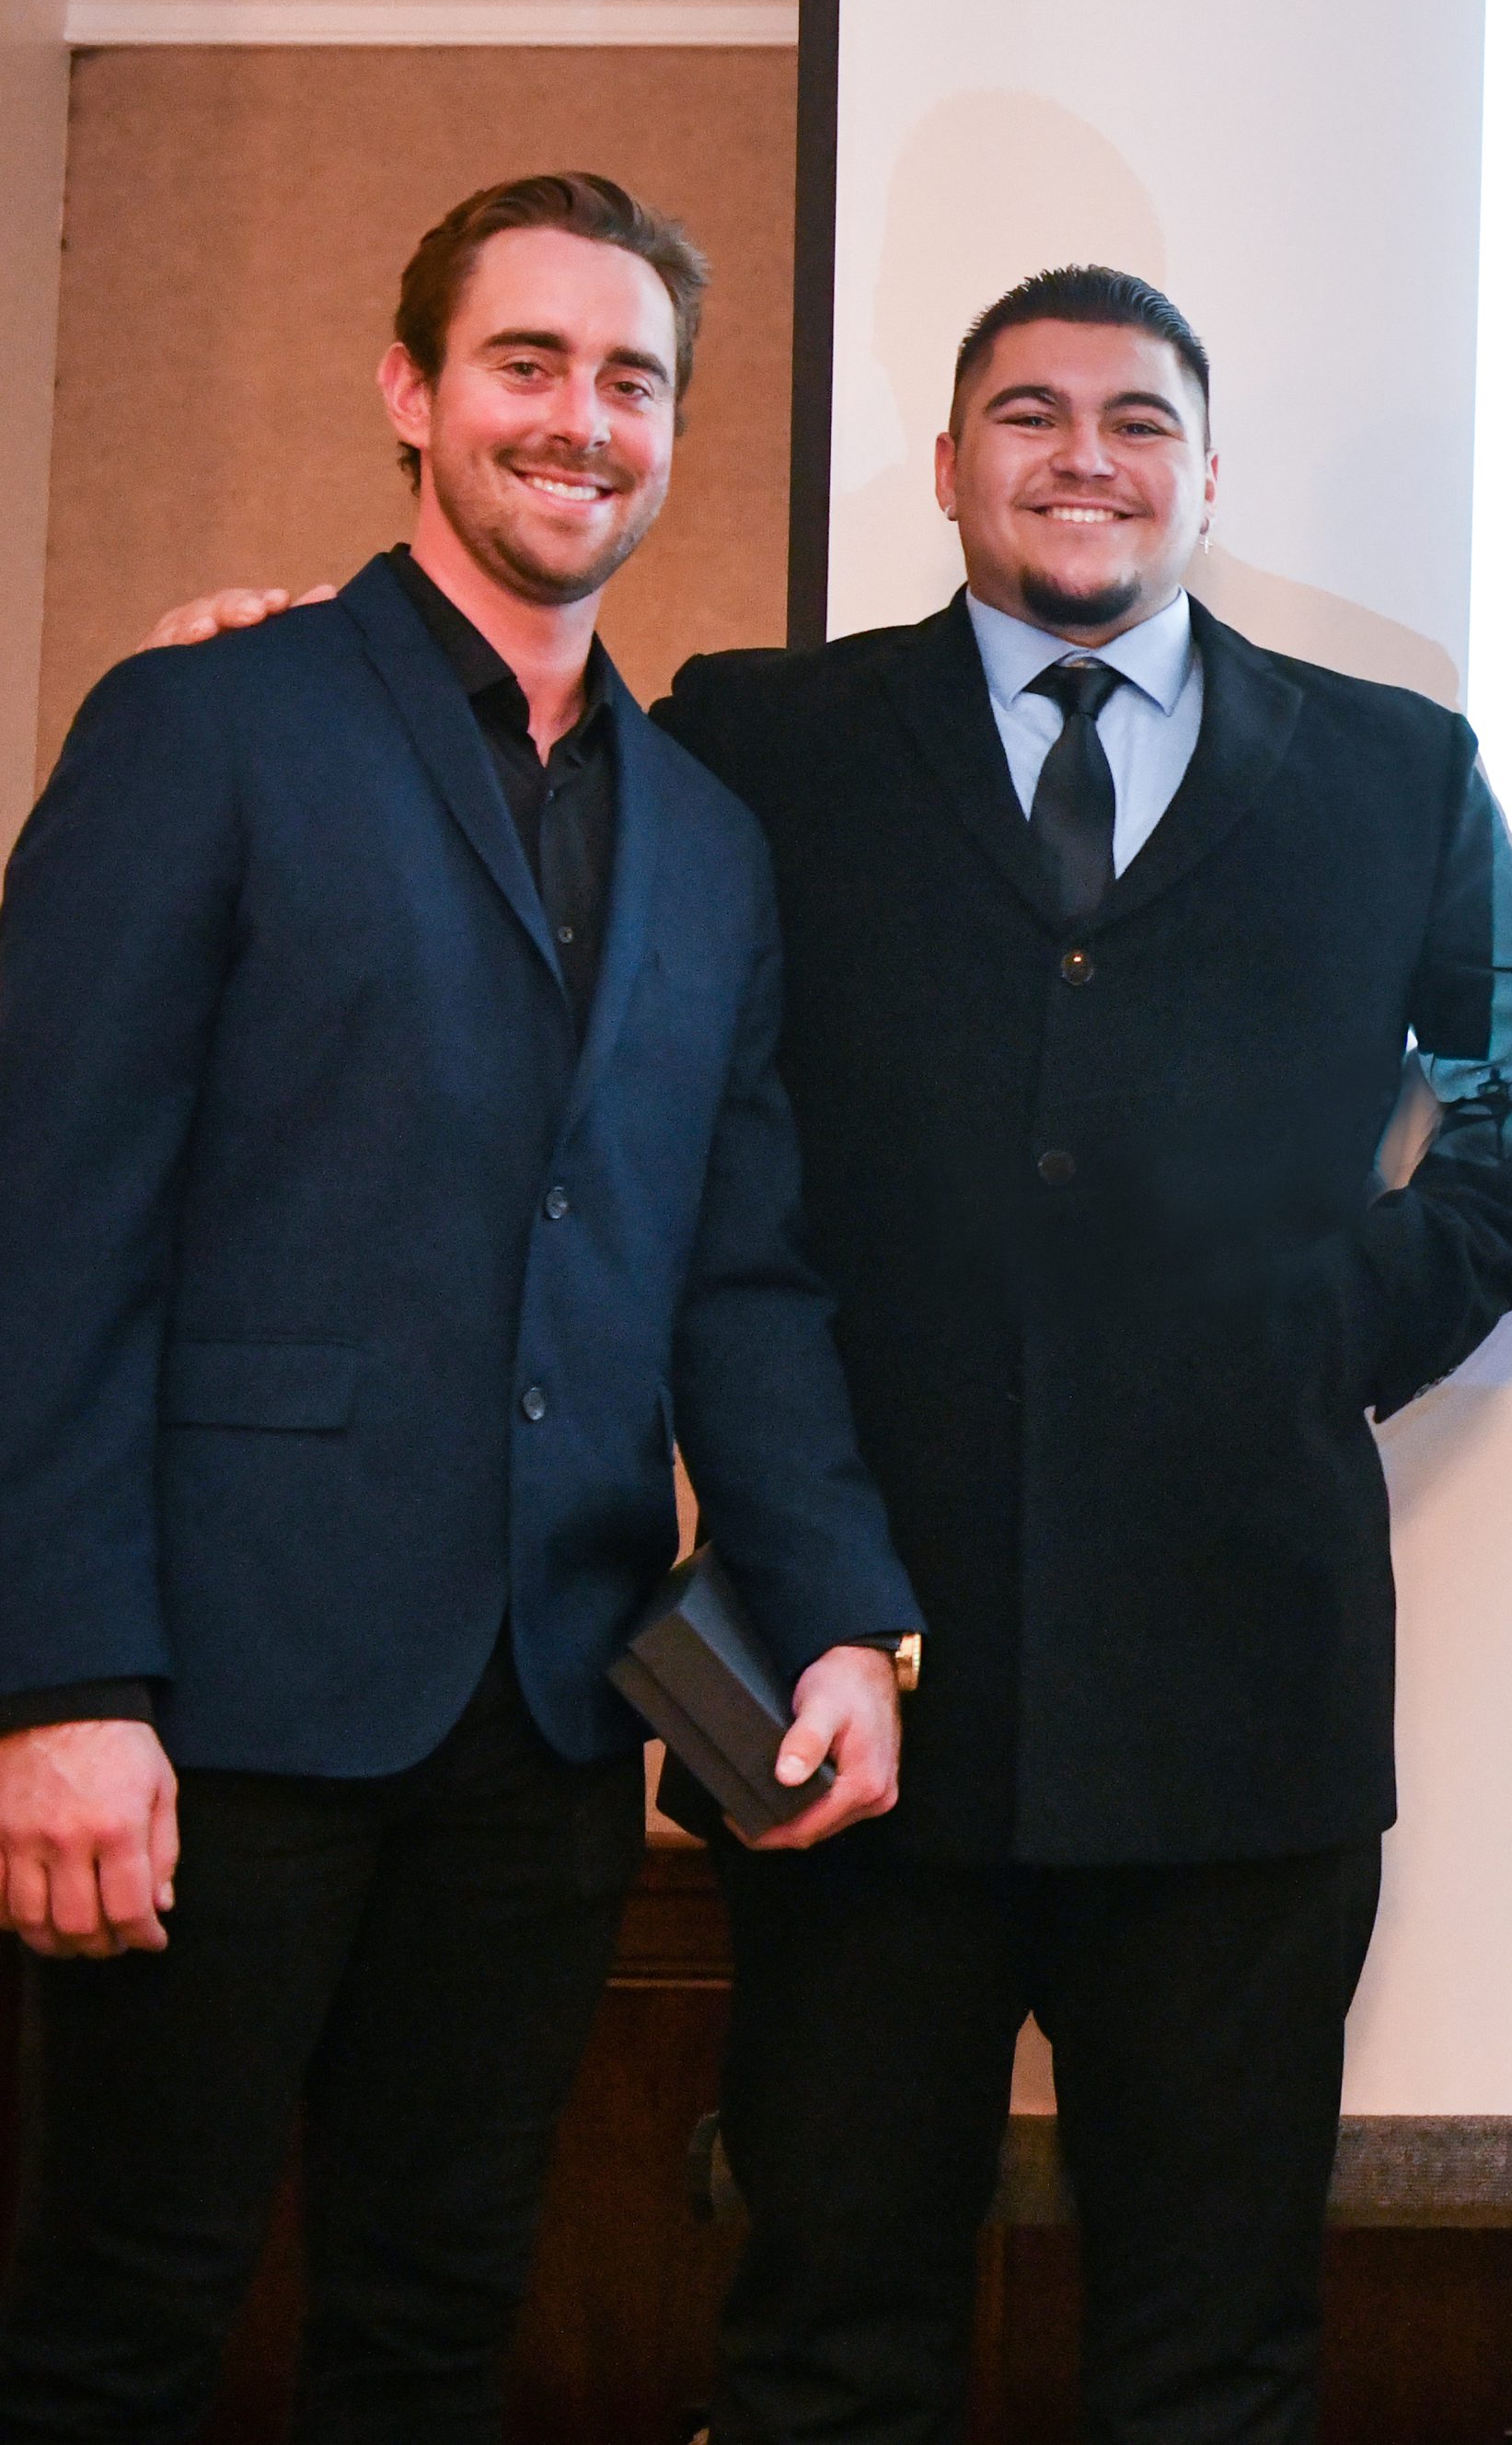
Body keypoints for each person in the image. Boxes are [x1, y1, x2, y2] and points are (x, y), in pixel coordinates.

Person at [156, 262, 1512, 2439]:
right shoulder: (761, 740)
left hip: (1240, 1699)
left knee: (1213, 2358)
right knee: (826, 2341)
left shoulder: (1391, 771)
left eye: (1136, 419)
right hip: (848, 1692)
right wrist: (261, 677)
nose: (1082, 456)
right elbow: (506, 785)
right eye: (1027, 415)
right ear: (945, 471)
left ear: (1204, 477)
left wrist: (1345, 1315)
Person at [0, 174, 919, 2441]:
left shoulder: (707, 835)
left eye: (633, 381)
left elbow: (741, 1269)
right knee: (126, 2309)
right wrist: (58, 1680)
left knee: (435, 2318)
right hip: (212, 1705)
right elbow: (49, 1223)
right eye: (528, 362)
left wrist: (837, 1608)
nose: (580, 420)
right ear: (409, 392)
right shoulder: (205, 721)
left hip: (545, 1721)